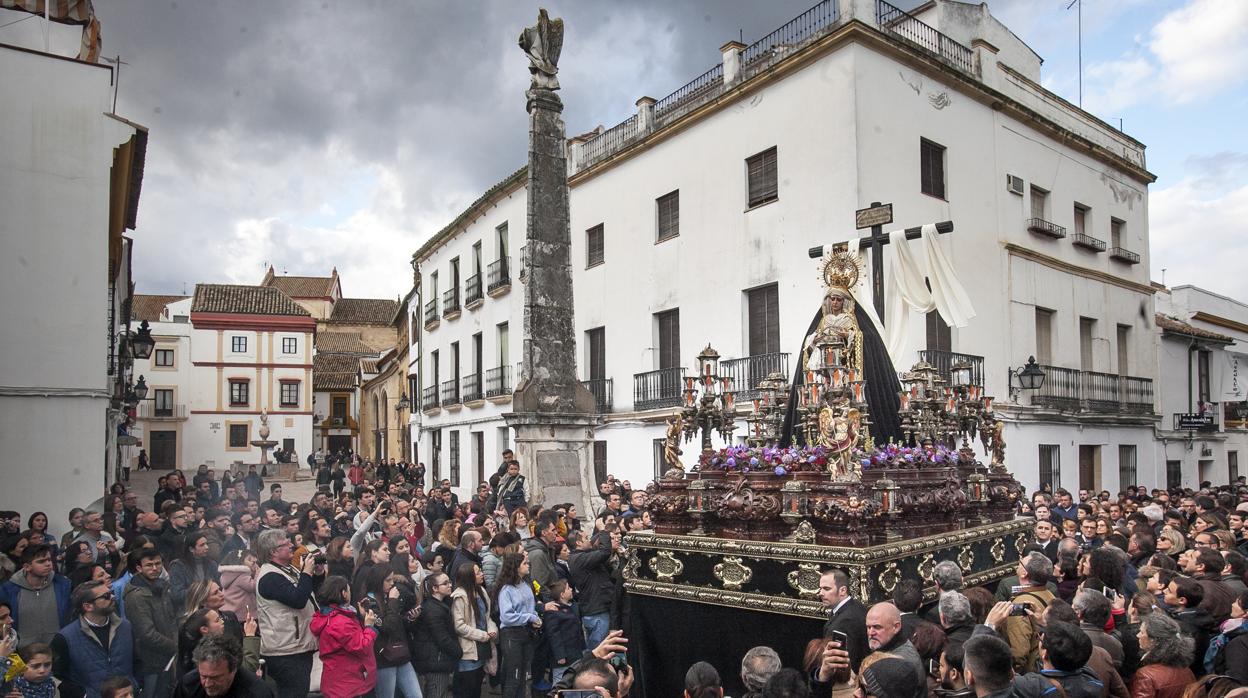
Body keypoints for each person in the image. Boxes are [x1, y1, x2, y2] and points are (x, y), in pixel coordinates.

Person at [254, 529, 324, 698]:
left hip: (298, 646)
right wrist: (306, 571)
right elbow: (298, 600)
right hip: (285, 651)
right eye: (286, 543)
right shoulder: (269, 577)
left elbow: (307, 592)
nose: (292, 545)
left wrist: (317, 574)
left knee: (300, 691)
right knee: (293, 693)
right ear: (273, 551)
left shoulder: (287, 568)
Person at [51, 580, 135, 698]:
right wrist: (82, 694)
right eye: (106, 596)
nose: (112, 597)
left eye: (111, 593)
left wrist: (136, 685)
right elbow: (57, 676)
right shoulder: (65, 637)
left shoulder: (125, 627)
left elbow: (138, 661)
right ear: (88, 606)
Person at [310, 575, 379, 698]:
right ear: (344, 593)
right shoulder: (340, 622)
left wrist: (362, 618)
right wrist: (369, 627)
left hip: (339, 682)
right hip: (347, 685)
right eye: (349, 590)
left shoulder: (328, 616)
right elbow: (362, 646)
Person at [125, 547, 178, 698]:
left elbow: (171, 619)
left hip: (169, 656)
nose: (155, 568)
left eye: (158, 563)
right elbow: (146, 634)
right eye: (149, 565)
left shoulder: (161, 586)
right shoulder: (136, 596)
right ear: (139, 568)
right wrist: (174, 646)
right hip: (151, 661)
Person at [0, 544, 71, 644]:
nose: (48, 564)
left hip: (56, 647)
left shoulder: (62, 585)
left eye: (49, 560)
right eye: (41, 561)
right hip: (23, 649)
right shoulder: (8, 590)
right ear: (27, 567)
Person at [495, 552, 539, 698]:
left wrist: (535, 618)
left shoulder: (525, 584)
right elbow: (506, 616)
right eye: (525, 563)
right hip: (511, 635)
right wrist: (529, 617)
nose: (528, 565)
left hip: (526, 632)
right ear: (516, 567)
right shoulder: (506, 590)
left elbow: (531, 608)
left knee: (524, 675)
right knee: (514, 675)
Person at [172, 633, 272, 698]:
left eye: (215, 677)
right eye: (203, 676)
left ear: (233, 670)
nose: (207, 684)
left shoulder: (257, 693)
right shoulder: (188, 685)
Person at [451, 562, 497, 698]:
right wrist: (483, 635)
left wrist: (492, 629)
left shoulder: (481, 591)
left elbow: (487, 617)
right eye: (477, 572)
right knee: (467, 689)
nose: (482, 574)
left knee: (477, 688)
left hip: (483, 649)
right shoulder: (460, 596)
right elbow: (459, 626)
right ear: (469, 576)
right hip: (469, 652)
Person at [412, 572, 461, 698]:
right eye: (445, 583)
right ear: (435, 588)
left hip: (434, 660)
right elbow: (442, 639)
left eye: (449, 582)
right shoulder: (433, 610)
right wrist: (458, 652)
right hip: (436, 663)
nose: (450, 585)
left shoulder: (437, 606)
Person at [1129, 613, 1193, 698]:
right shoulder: (1187, 670)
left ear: (1154, 640)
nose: (1138, 635)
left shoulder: (1145, 676)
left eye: (1142, 632)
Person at [819, 568, 868, 672]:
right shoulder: (857, 606)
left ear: (843, 590)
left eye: (826, 589)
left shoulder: (842, 624)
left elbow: (841, 665)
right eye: (821, 588)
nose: (821, 593)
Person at [169, 532, 220, 611]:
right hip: (189, 610)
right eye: (202, 545)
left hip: (210, 609)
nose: (207, 547)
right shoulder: (178, 566)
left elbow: (218, 585)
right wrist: (202, 592)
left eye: (207, 544)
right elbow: (177, 594)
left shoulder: (211, 564)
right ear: (191, 549)